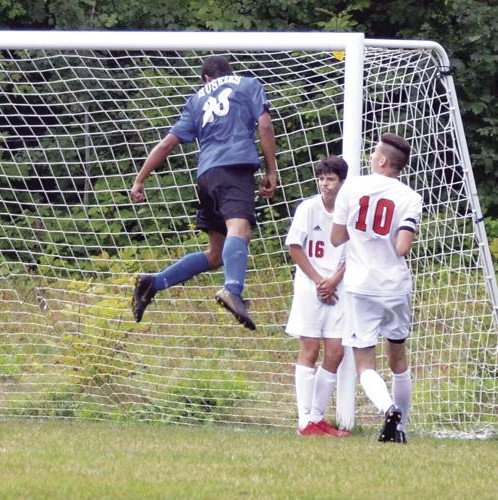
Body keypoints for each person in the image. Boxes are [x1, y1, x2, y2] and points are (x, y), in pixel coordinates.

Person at [130, 55, 277, 329]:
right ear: (227, 73)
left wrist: (140, 179)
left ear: (207, 78)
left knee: (216, 254)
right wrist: (271, 171)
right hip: (235, 168)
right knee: (240, 230)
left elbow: (166, 144)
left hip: (207, 175)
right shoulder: (247, 84)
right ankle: (232, 289)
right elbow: (265, 125)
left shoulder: (196, 100)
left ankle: (154, 282)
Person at [331, 133, 422, 443]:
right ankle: (402, 428)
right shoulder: (410, 197)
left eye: (373, 153)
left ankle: (388, 409)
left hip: (361, 285)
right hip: (395, 286)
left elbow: (336, 238)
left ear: (382, 161)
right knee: (398, 359)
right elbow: (402, 247)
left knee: (364, 362)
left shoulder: (352, 188)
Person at [285, 156, 350, 437]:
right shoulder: (308, 208)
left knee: (336, 351)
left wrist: (333, 280)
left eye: (331, 179)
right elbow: (294, 246)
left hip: (339, 288)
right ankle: (304, 422)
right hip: (310, 287)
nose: (325, 184)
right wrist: (318, 280)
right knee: (310, 349)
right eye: (322, 178)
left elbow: (354, 251)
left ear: (342, 182)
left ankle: (318, 417)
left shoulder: (349, 212)